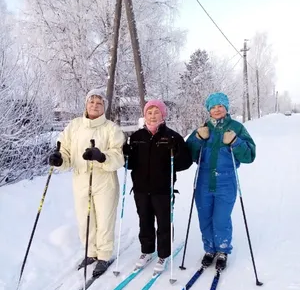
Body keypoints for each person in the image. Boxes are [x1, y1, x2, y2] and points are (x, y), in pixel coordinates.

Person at [49, 89, 125, 277]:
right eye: (91, 102)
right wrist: (59, 159)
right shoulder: (74, 126)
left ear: (104, 107)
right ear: (86, 104)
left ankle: (104, 255)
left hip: (104, 180)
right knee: (85, 218)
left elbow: (118, 156)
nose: (94, 105)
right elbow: (64, 149)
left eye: (99, 103)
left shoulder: (111, 128)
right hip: (81, 178)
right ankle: (91, 252)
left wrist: (101, 156)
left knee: (104, 218)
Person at [186, 92, 256, 271]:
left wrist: (235, 142)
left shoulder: (236, 128)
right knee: (205, 218)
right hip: (203, 180)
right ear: (209, 109)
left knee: (221, 218)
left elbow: (249, 156)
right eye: (213, 107)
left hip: (226, 181)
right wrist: (197, 139)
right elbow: (188, 156)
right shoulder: (202, 127)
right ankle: (209, 249)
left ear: (226, 108)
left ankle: (223, 250)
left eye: (220, 106)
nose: (217, 110)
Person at [123, 99, 192, 273]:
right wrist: (126, 154)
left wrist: (175, 152)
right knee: (144, 221)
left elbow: (185, 163)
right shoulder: (137, 137)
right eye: (149, 112)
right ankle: (146, 251)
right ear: (144, 115)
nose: (153, 116)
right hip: (140, 189)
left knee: (164, 223)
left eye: (156, 112)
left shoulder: (172, 136)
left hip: (162, 189)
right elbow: (130, 165)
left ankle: (163, 254)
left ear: (163, 114)